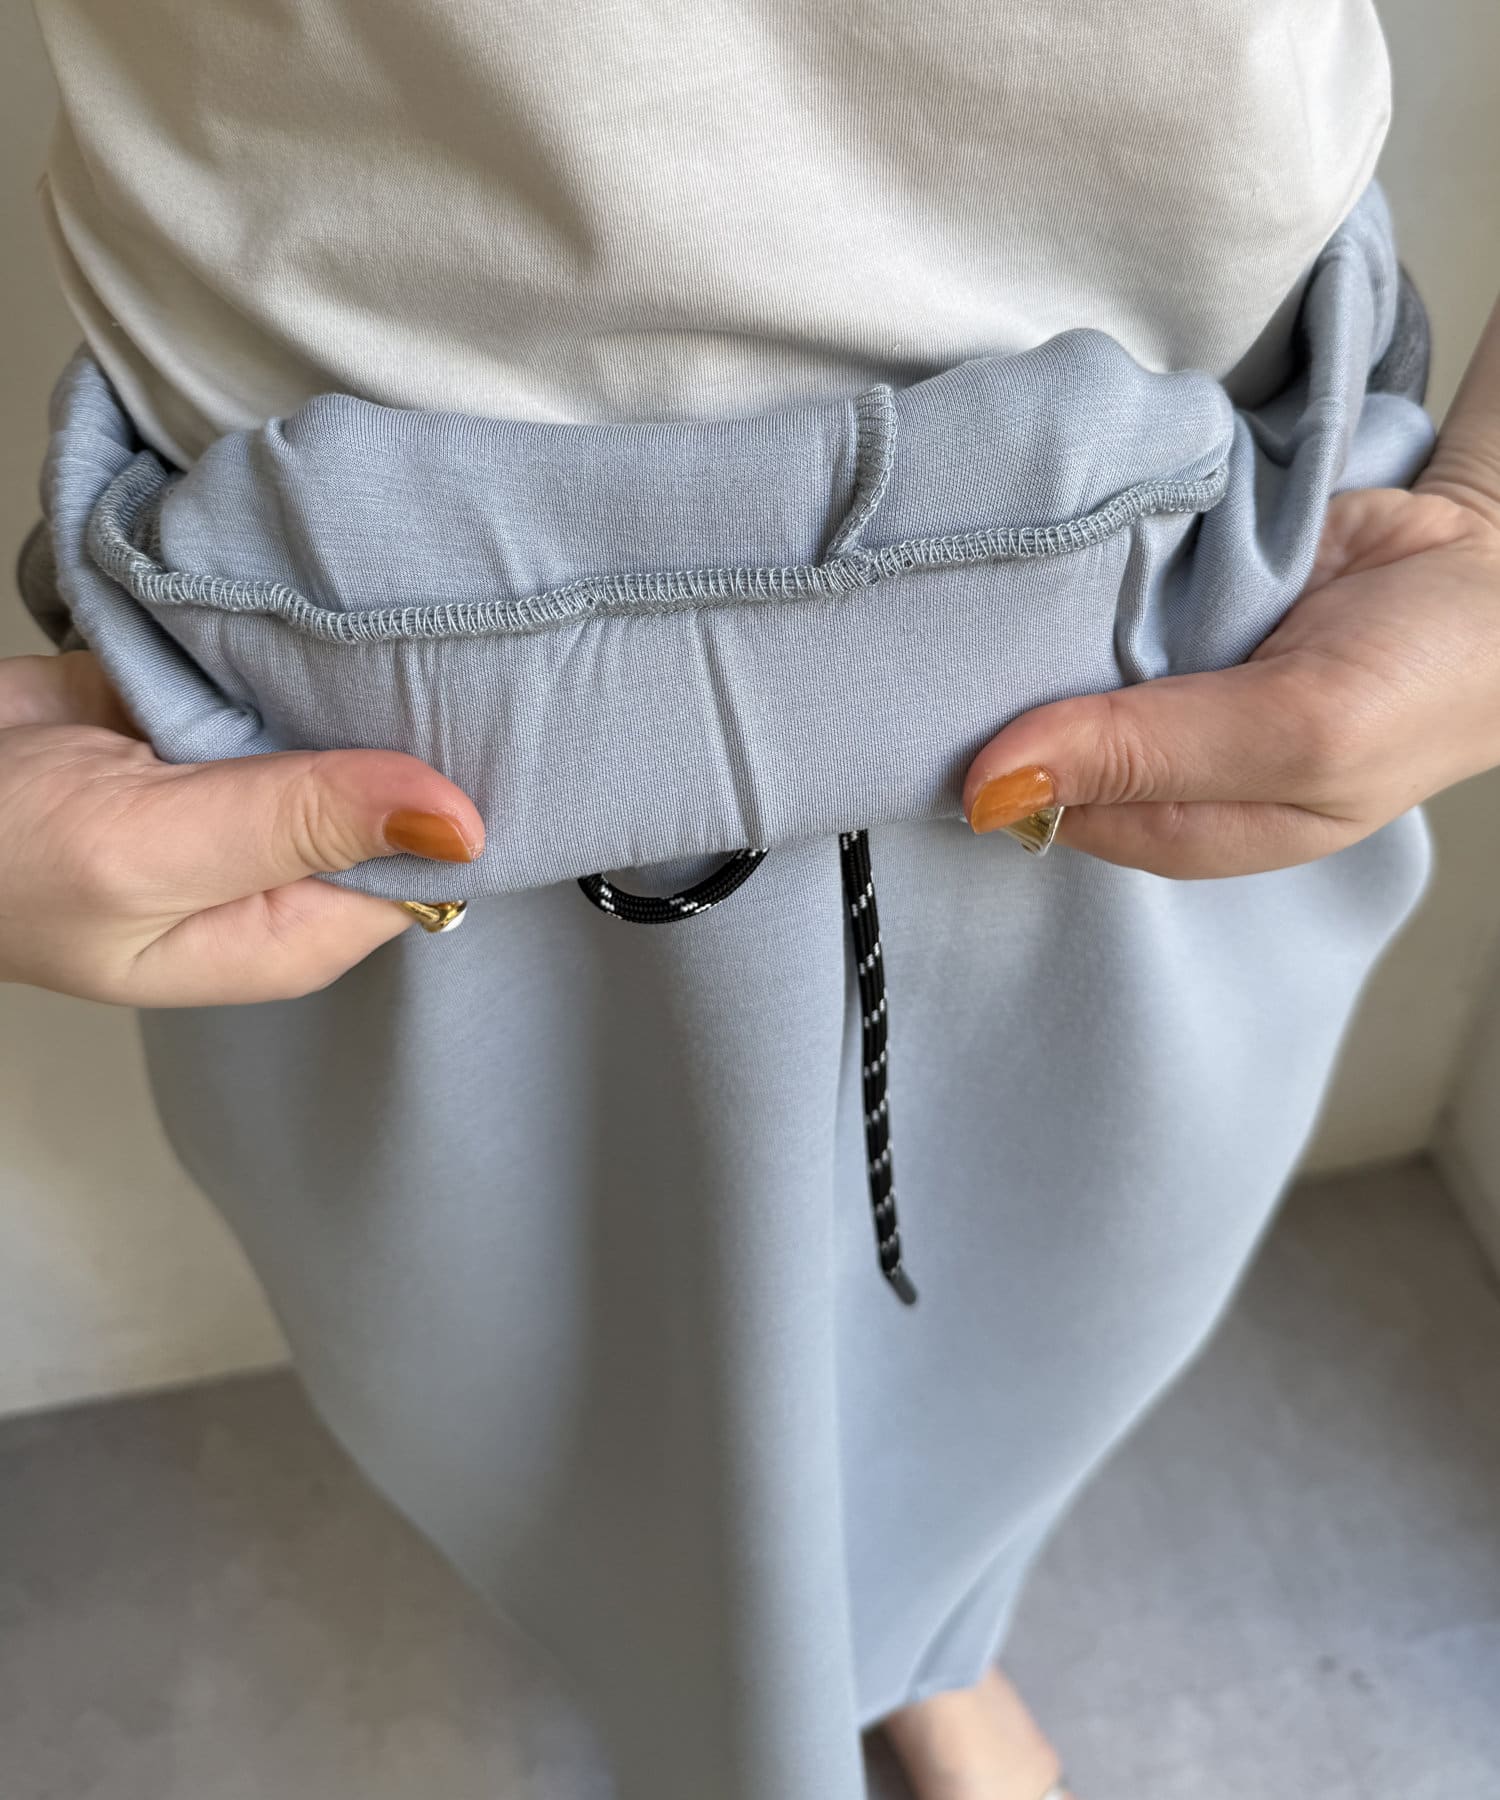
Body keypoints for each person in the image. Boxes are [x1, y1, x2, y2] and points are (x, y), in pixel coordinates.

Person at [6, 4, 1499, 1796]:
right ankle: (775, 1704)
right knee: (533, 1403)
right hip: (357, 710)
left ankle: (927, 1643)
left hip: (1181, 632)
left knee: (1051, 1325)